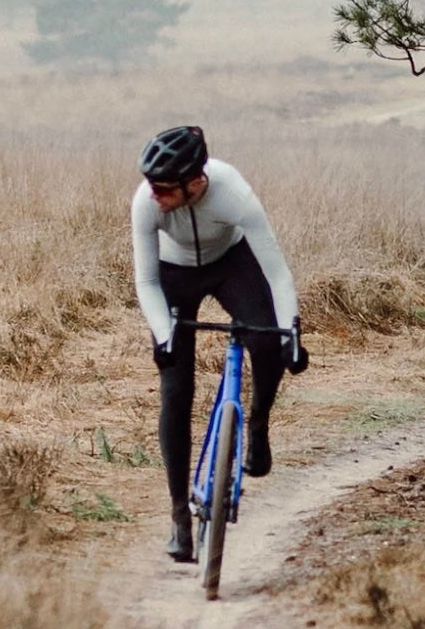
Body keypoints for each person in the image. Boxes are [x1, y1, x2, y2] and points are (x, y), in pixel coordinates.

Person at [131, 125, 309, 562]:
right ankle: (179, 518)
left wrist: (292, 333)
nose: (154, 194)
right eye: (151, 185)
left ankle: (258, 424)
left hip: (231, 264)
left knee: (267, 344)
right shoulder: (146, 202)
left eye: (164, 188)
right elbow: (147, 280)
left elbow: (278, 272)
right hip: (173, 276)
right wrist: (164, 334)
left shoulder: (234, 194)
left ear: (195, 183)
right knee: (176, 390)